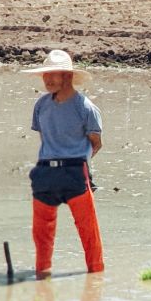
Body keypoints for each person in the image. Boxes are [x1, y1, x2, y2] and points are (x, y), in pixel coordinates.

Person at [24, 49, 104, 278]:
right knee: (42, 236)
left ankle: (96, 277)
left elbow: (95, 143)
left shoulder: (86, 107)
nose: (47, 79)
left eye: (54, 74)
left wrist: (80, 164)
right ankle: (42, 282)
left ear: (67, 77)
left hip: (75, 172)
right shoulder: (40, 106)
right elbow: (46, 139)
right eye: (45, 74)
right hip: (45, 174)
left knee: (89, 234)